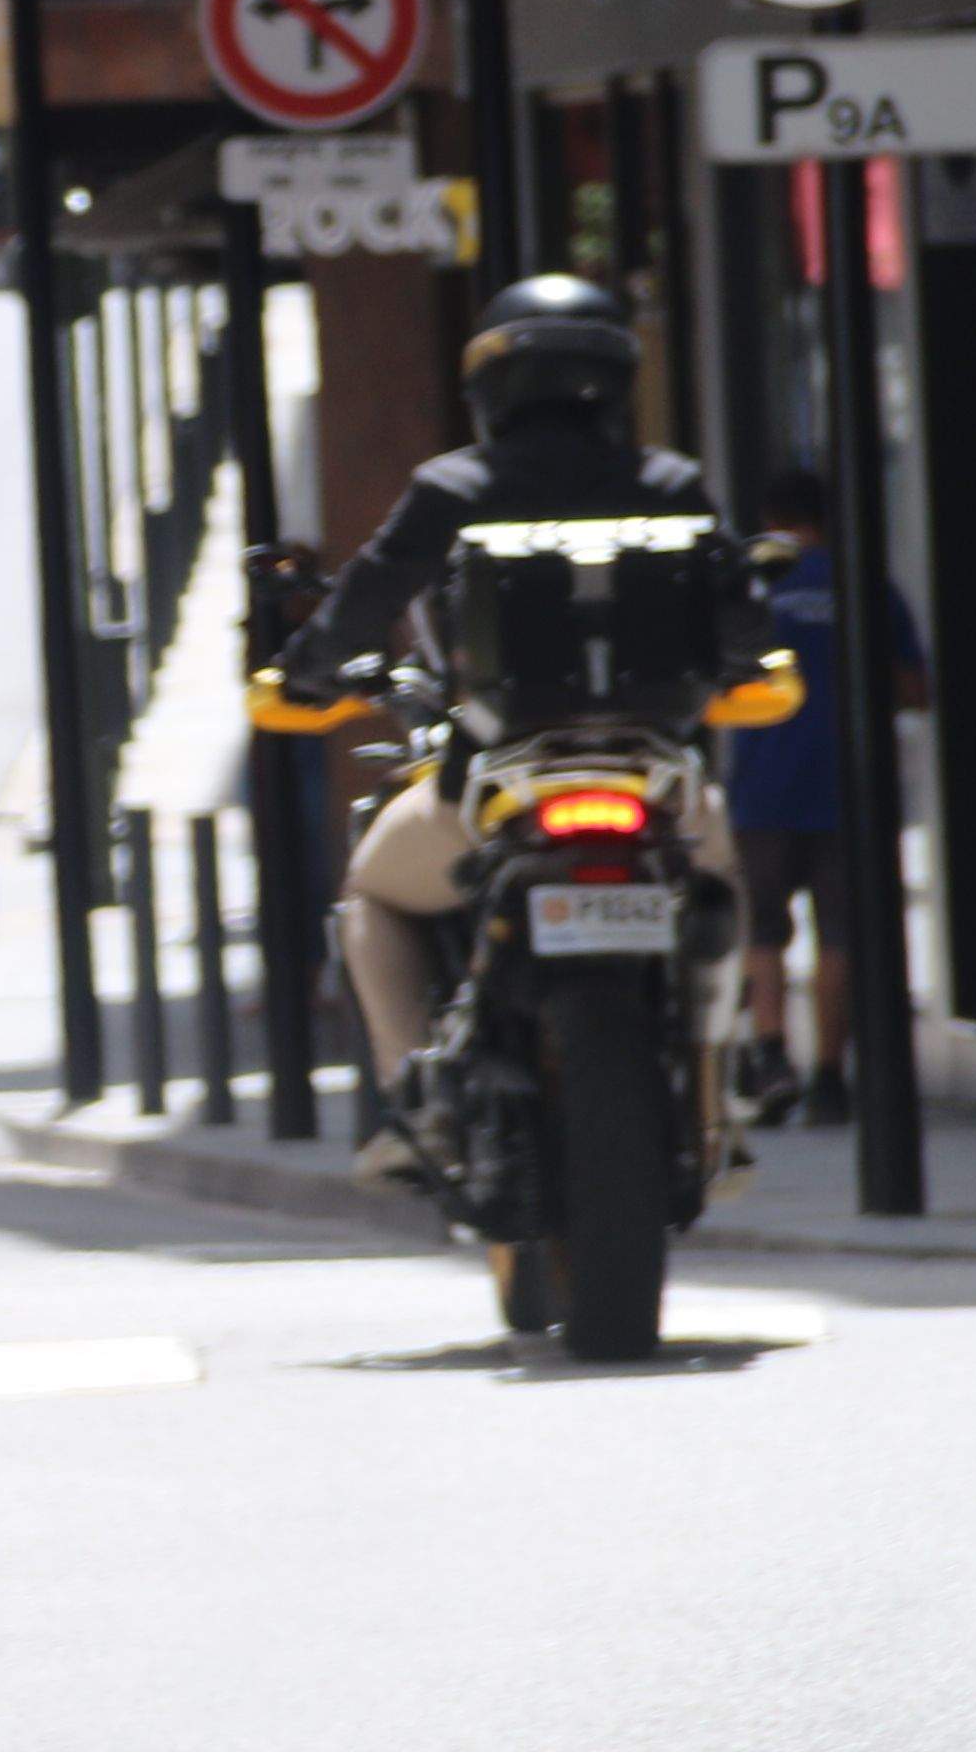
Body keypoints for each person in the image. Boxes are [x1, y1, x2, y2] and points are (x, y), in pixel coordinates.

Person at [277, 275, 764, 1181]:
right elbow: (742, 617)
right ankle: (717, 1097)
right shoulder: (669, 482)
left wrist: (305, 669)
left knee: (373, 898)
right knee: (720, 884)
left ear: (491, 384)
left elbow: (369, 595)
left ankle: (414, 1093)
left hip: (491, 785)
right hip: (656, 779)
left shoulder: (453, 485)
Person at [723, 464, 917, 1128]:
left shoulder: (751, 586)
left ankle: (772, 1054)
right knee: (841, 936)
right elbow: (914, 686)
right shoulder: (864, 585)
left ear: (771, 520)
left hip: (763, 784)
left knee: (765, 930)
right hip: (847, 787)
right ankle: (831, 1076)